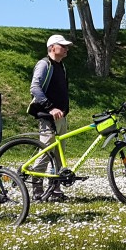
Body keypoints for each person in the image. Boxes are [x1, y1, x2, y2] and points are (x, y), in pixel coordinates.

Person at [27, 33, 73, 201]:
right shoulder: (44, 64)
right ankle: (37, 190)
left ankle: (55, 188)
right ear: (52, 48)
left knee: (59, 154)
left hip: (61, 116)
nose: (66, 48)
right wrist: (50, 108)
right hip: (48, 116)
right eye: (63, 45)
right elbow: (35, 87)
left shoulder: (61, 66)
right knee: (45, 152)